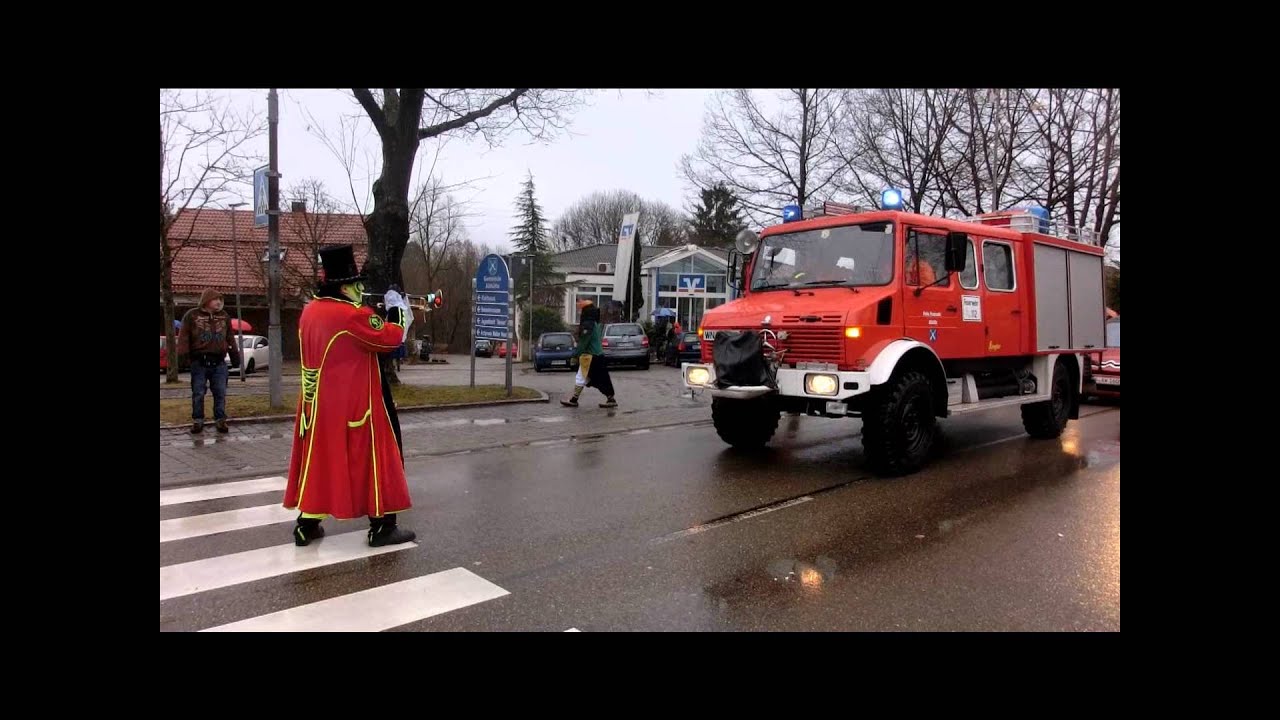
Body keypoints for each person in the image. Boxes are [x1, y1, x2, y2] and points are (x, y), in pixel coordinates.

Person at [283, 245, 415, 548]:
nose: (361, 289)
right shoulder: (350, 315)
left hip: (315, 406)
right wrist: (396, 309)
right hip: (357, 404)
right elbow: (391, 338)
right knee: (378, 459)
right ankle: (382, 527)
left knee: (318, 462)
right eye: (357, 284)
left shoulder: (309, 311)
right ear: (344, 286)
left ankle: (306, 524)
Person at [177, 289, 240, 434]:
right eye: (215, 299)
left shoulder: (224, 317)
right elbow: (184, 337)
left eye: (220, 299)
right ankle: (198, 421)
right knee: (198, 392)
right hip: (199, 362)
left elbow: (230, 337)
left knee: (220, 392)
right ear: (206, 300)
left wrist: (235, 355)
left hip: (219, 362)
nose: (218, 302)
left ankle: (220, 420)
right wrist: (183, 358)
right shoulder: (192, 316)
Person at [561, 298, 616, 408]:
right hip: (597, 356)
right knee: (600, 378)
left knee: (582, 377)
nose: (580, 312)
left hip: (590, 357)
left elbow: (584, 342)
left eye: (582, 310)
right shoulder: (594, 323)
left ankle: (574, 399)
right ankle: (610, 398)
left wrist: (575, 355)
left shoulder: (588, 324)